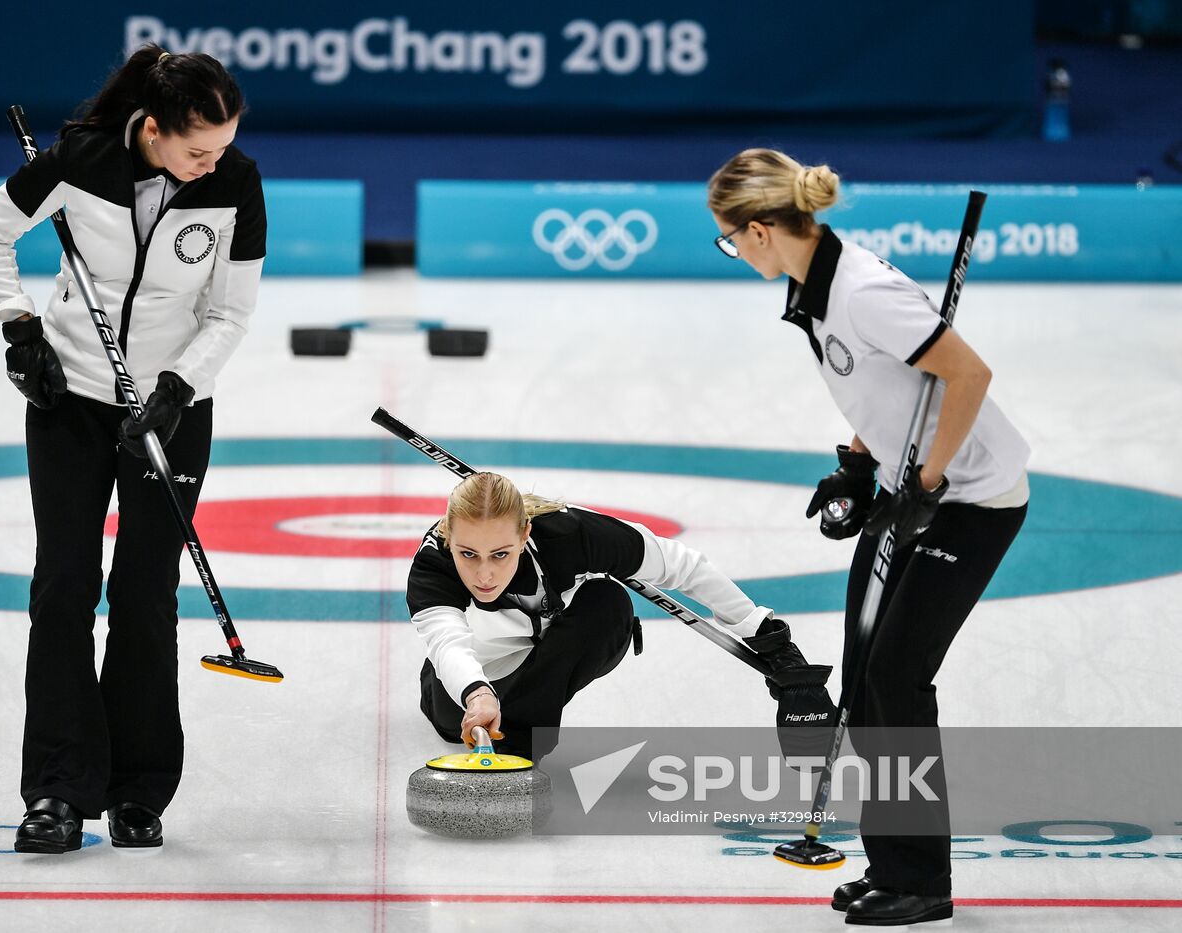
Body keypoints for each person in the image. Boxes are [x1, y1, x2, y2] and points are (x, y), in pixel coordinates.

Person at [707, 149, 1029, 926]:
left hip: (973, 499)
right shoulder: (810, 285)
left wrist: (927, 482)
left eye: (727, 240)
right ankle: (894, 863)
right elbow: (887, 387)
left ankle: (922, 878)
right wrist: (858, 463)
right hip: (907, 488)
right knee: (866, 674)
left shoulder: (862, 292)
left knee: (896, 677)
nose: (733, 254)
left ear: (757, 231)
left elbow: (968, 375)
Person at [0, 45, 267, 854]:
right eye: (198, 149)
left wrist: (177, 386)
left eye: (223, 146)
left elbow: (231, 314)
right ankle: (59, 789)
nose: (214, 163)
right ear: (158, 130)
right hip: (68, 403)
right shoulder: (83, 158)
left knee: (144, 593)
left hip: (170, 410)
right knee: (63, 585)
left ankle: (137, 787)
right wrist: (20, 326)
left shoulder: (235, 183)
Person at [406, 471, 835, 763]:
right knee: (451, 719)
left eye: (501, 554)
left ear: (525, 534)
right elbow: (447, 642)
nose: (484, 573)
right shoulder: (434, 567)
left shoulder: (572, 535)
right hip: (466, 687)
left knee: (608, 602)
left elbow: (683, 566)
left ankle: (521, 739)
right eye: (468, 554)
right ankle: (496, 710)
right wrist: (477, 693)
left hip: (547, 661)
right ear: (449, 539)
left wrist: (777, 647)